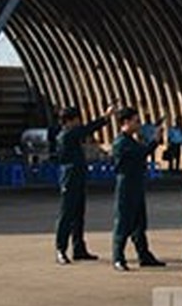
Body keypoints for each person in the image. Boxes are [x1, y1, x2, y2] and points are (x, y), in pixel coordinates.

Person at [53, 104, 116, 265]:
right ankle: (61, 249)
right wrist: (105, 117)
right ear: (69, 121)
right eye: (76, 120)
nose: (79, 123)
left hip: (78, 178)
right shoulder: (66, 135)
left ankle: (79, 248)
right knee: (67, 215)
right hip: (70, 178)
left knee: (78, 215)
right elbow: (87, 129)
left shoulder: (71, 134)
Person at [111, 107, 167, 271]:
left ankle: (144, 255)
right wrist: (155, 141)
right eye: (136, 121)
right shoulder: (122, 142)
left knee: (139, 222)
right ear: (126, 122)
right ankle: (118, 257)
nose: (139, 124)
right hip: (126, 185)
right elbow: (142, 152)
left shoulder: (131, 140)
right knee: (123, 222)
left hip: (135, 183)